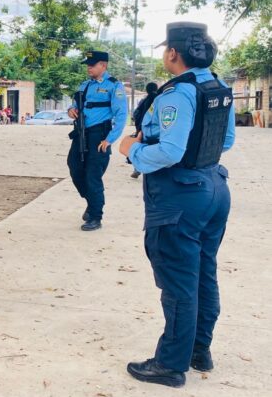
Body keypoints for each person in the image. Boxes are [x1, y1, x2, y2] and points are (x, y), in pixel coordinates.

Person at [119, 22, 235, 388]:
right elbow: (226, 140)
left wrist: (133, 150)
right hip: (214, 187)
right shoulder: (218, 88)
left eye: (165, 49)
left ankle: (170, 364)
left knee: (179, 282)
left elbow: (170, 151)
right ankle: (199, 350)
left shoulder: (177, 94)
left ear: (173, 52)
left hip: (180, 197)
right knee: (203, 273)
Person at [67, 50, 127, 231]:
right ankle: (92, 201)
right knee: (74, 168)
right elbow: (75, 105)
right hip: (81, 133)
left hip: (100, 135)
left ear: (103, 65)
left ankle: (95, 217)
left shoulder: (114, 86)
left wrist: (110, 139)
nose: (89, 68)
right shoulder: (85, 85)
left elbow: (121, 115)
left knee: (93, 176)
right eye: (88, 64)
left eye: (92, 65)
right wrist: (71, 110)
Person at [130, 82, 159, 179]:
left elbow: (136, 114)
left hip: (141, 128)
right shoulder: (159, 99)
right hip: (154, 129)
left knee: (140, 146)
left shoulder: (143, 100)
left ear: (147, 90)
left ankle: (137, 169)